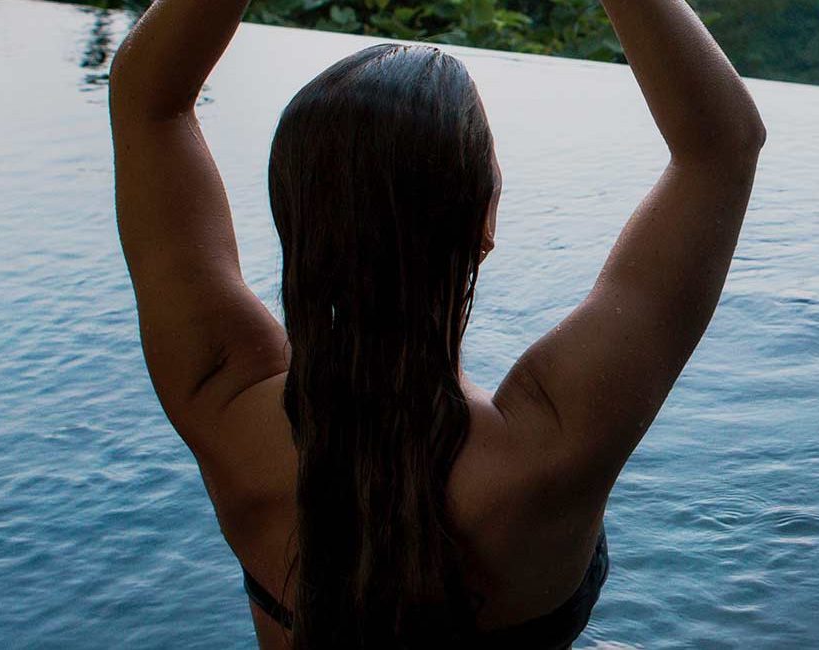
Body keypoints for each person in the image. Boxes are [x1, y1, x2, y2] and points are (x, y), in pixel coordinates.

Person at [108, 0, 764, 646]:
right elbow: (720, 147)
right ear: (483, 224)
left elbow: (148, 99)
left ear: (297, 219)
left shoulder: (222, 397)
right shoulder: (555, 442)